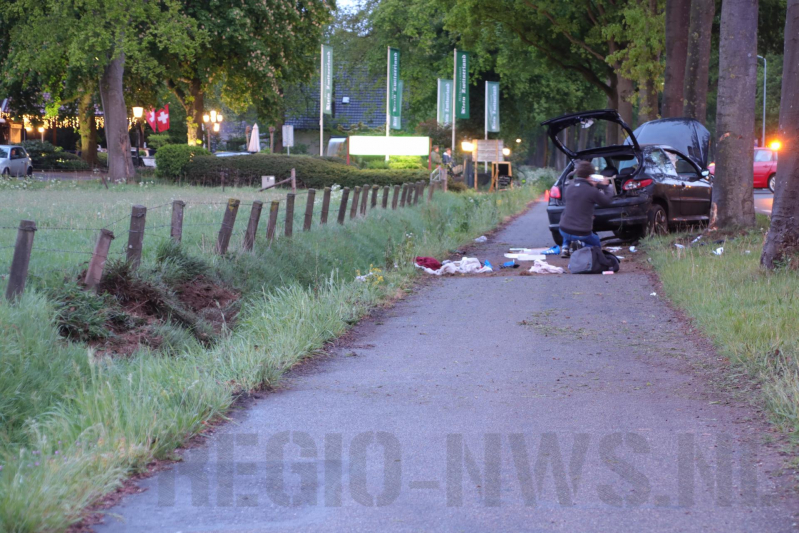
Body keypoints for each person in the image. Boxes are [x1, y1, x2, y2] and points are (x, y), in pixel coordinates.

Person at [559, 160, 614, 258]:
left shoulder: (569, 188)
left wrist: (591, 185)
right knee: (595, 241)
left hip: (563, 230)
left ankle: (565, 247)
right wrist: (606, 187)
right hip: (582, 233)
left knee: (568, 220)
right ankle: (592, 256)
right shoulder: (592, 191)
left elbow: (579, 200)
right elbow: (606, 202)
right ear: (591, 175)